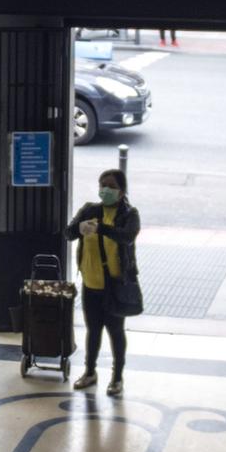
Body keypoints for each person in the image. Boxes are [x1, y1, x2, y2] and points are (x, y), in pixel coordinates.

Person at [65, 168, 143, 397]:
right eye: (102, 185)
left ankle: (117, 377)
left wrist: (101, 228)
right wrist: (79, 228)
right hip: (91, 283)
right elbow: (68, 233)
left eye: (111, 186)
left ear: (122, 190)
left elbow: (127, 236)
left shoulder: (129, 214)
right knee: (93, 330)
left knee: (116, 331)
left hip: (115, 284)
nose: (105, 190)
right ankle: (90, 372)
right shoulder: (90, 209)